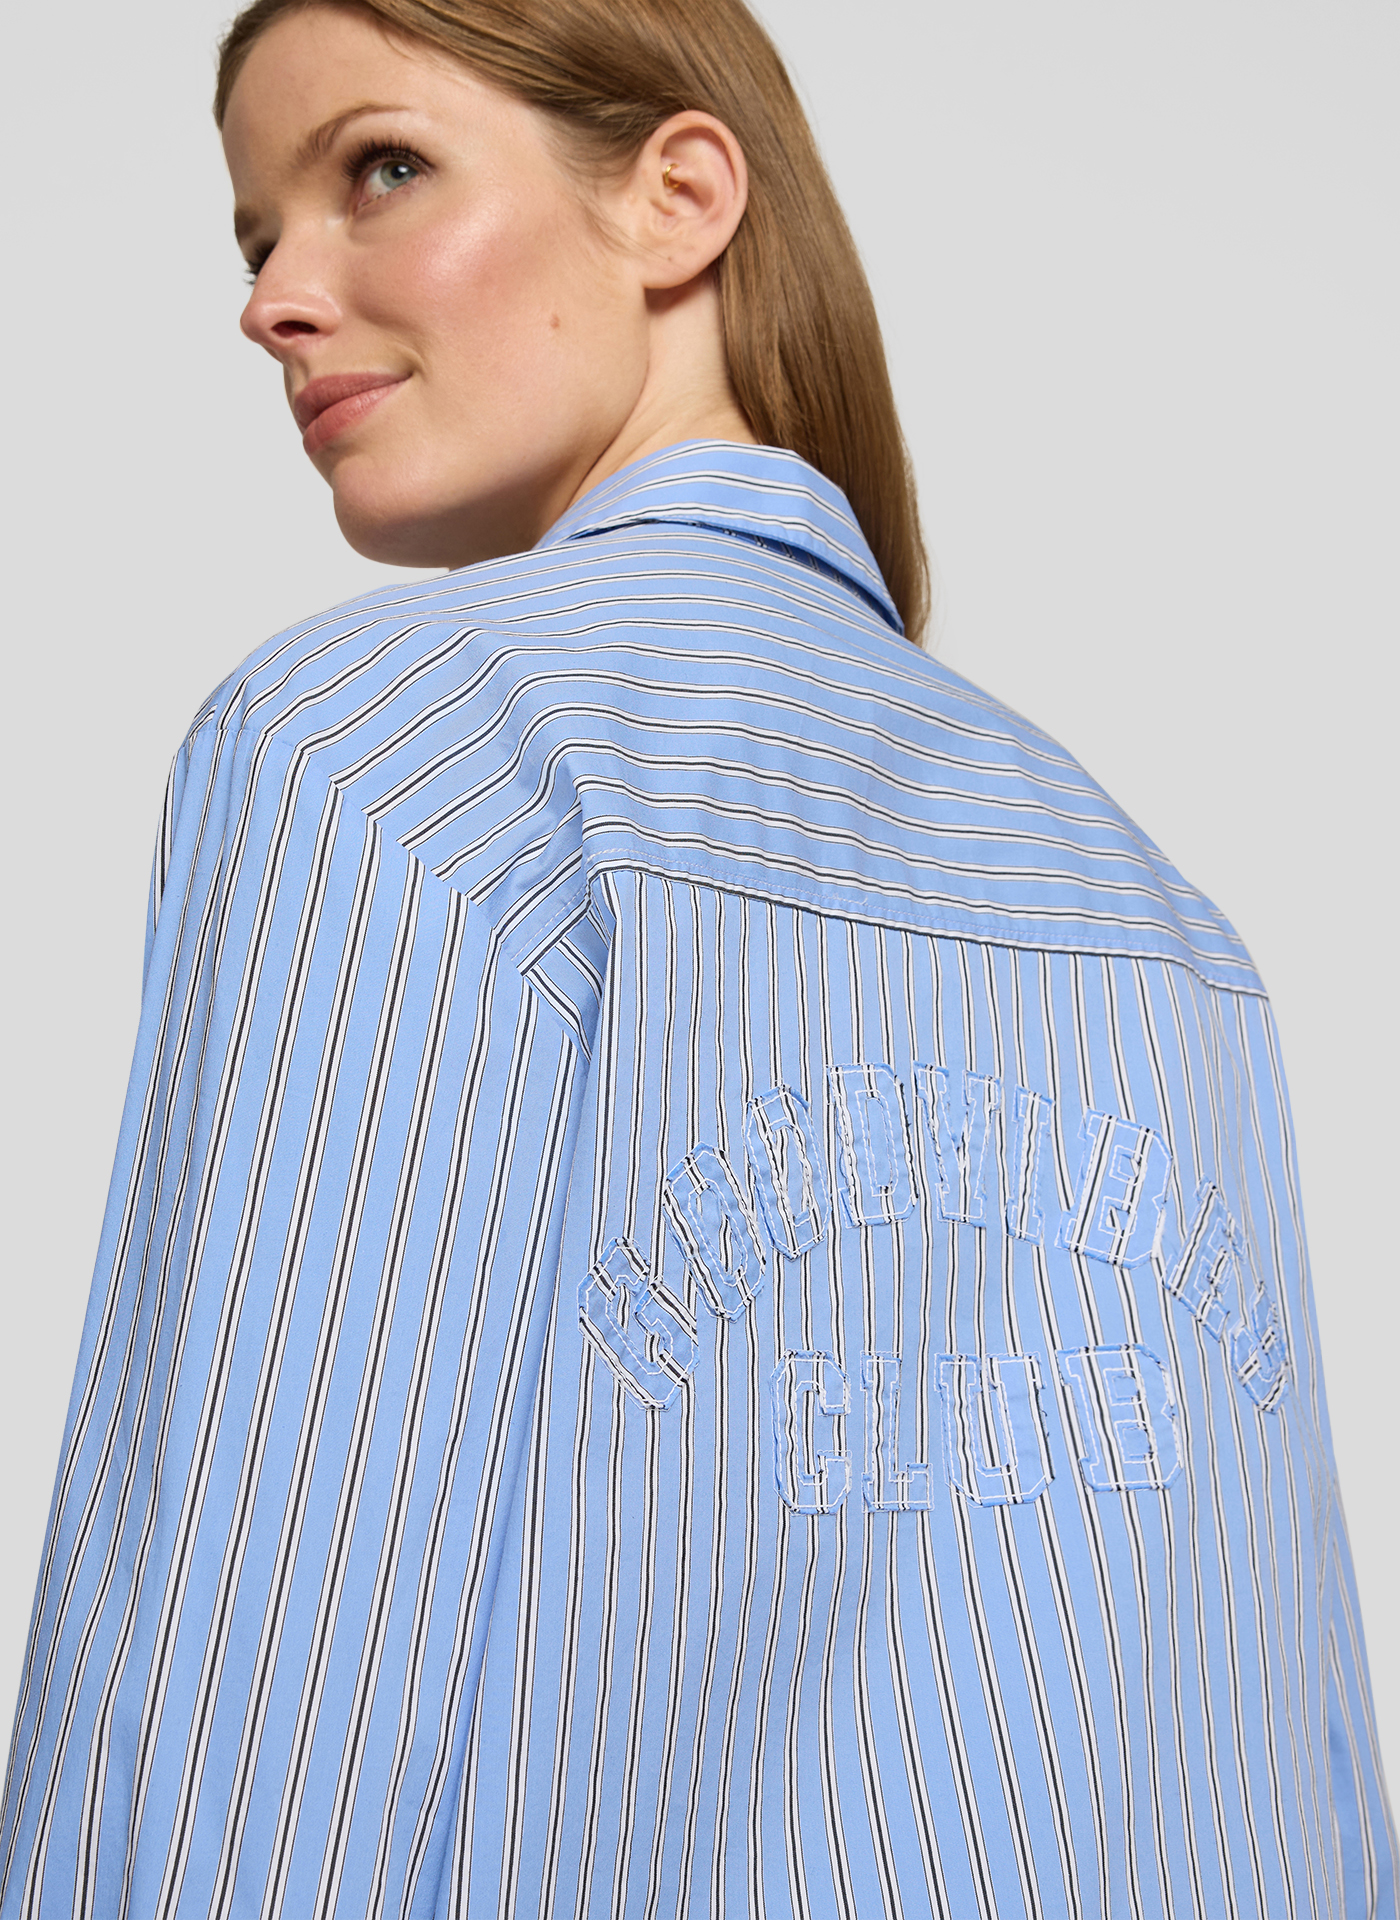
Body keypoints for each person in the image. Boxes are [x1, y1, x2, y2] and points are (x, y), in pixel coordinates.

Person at [1, 0, 1393, 1913]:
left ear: (676, 196)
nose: (272, 300)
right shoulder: (1156, 908)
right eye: (256, 237)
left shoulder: (390, 752)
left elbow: (244, 1702)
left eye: (379, 170)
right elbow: (1288, 1778)